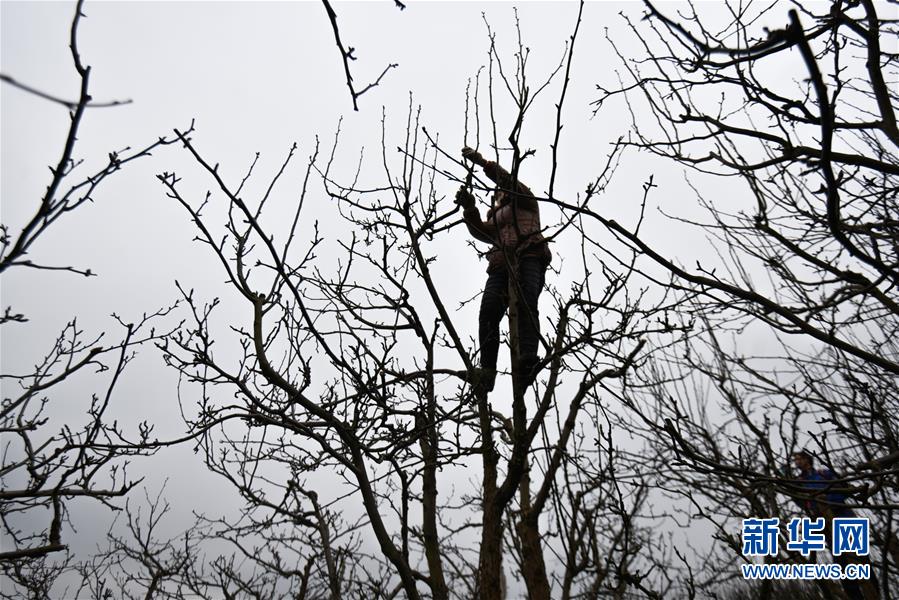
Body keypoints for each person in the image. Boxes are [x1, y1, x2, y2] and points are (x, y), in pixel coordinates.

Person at [454, 147, 551, 392]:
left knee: (526, 302)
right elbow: (480, 231)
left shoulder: (526, 200)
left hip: (528, 255)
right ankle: (487, 372)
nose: (498, 194)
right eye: (496, 195)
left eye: (500, 190)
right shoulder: (497, 219)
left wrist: (483, 163)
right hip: (500, 265)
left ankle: (527, 358)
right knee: (488, 311)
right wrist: (469, 209)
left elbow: (508, 181)